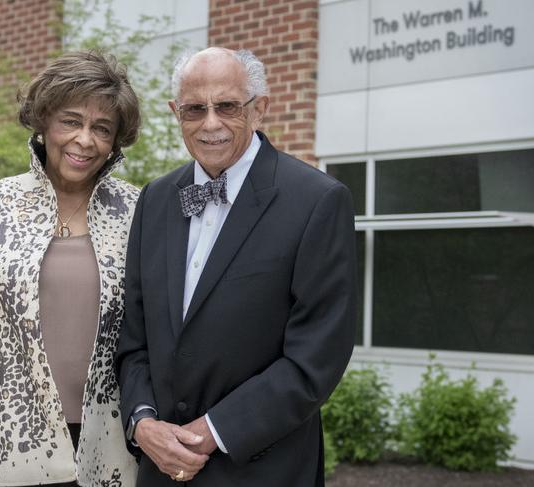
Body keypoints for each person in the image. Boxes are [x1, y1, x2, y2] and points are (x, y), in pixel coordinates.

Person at [115, 47, 356, 486]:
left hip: (262, 468)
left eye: (226, 106)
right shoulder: (154, 199)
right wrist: (143, 422)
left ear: (259, 109)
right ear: (176, 112)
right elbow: (133, 338)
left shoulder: (317, 201)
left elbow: (316, 356)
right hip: (159, 469)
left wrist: (211, 432)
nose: (210, 124)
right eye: (194, 109)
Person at [0, 51, 140, 487]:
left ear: (115, 141)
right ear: (43, 123)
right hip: (1, 440)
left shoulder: (137, 211)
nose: (85, 140)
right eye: (71, 121)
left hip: (109, 444)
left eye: (102, 128)